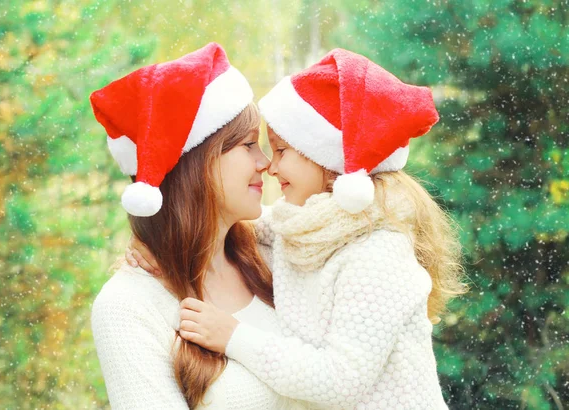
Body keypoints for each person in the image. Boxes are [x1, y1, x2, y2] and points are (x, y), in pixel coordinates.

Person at [132, 49, 467, 409]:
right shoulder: (305, 229)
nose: (270, 167)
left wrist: (233, 337)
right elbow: (230, 227)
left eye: (281, 151)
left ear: (326, 159)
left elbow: (341, 380)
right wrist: (160, 242)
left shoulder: (377, 252)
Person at [90, 42, 303, 409]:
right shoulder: (128, 305)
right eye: (249, 145)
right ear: (197, 163)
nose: (265, 163)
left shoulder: (277, 247)